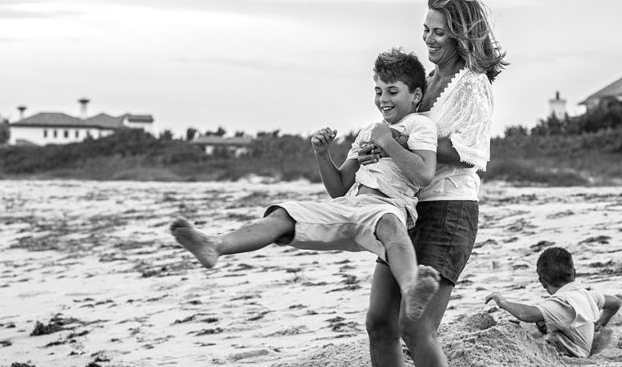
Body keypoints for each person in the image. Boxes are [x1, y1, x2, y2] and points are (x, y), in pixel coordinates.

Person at [170, 48, 441, 320]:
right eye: (378, 91)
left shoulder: (419, 126)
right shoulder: (369, 132)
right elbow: (338, 188)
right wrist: (322, 154)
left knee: (391, 226)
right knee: (282, 214)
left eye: (392, 91)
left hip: (387, 207)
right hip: (350, 205)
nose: (383, 99)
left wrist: (389, 142)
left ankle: (411, 289)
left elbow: (424, 174)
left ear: (416, 95)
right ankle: (215, 245)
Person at [355, 0, 507, 367]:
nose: (429, 39)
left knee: (416, 325)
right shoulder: (428, 79)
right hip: (409, 211)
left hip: (450, 210)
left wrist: (397, 141)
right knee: (380, 320)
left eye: (439, 31)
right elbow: (404, 132)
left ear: (460, 33)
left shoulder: (471, 83)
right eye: (426, 30)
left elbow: (469, 150)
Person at [485, 247, 622, 358]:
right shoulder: (588, 296)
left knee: (531, 323)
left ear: (543, 283)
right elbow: (616, 302)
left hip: (572, 357)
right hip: (580, 346)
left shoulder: (561, 304)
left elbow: (527, 314)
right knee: (540, 322)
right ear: (574, 273)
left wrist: (503, 302)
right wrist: (601, 323)